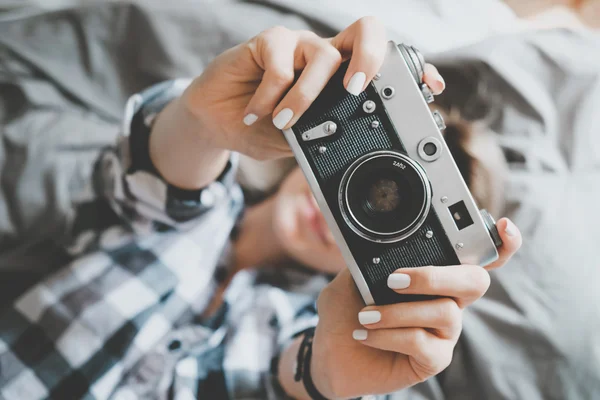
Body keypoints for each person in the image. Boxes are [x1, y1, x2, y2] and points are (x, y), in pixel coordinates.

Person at [0, 0, 597, 399]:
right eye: (376, 172)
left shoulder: (310, 333)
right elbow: (153, 192)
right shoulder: (197, 208)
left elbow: (272, 377)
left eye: (397, 210)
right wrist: (202, 123)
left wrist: (321, 380)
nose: (366, 199)